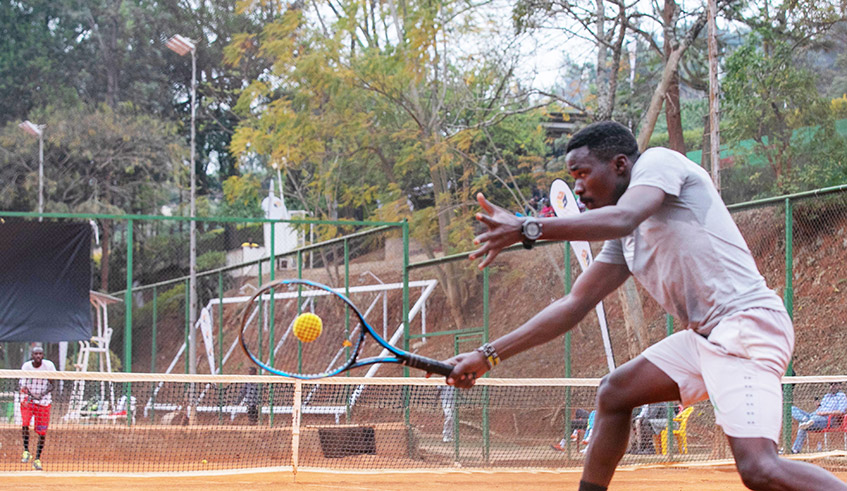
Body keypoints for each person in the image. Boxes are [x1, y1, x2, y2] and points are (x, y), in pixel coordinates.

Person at [442, 121, 847, 490]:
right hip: (705, 338)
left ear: (620, 165)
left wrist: (528, 227)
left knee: (759, 469)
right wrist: (487, 355)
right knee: (614, 393)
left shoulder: (657, 162)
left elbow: (622, 217)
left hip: (746, 328)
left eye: (582, 173)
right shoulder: (625, 239)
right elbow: (573, 304)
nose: (577, 187)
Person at [19, 345, 56, 471]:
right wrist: (31, 395)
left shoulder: (49, 366)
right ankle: (26, 451)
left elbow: (52, 384)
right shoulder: (26, 366)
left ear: (43, 355)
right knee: (25, 424)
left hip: (44, 403)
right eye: (36, 354)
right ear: (32, 355)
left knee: (42, 432)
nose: (38, 356)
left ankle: (37, 459)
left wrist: (41, 395)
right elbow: (22, 386)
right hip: (28, 401)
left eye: (40, 354)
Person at [790, 382, 847, 454]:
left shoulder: (841, 396)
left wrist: (825, 413)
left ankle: (795, 450)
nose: (832, 386)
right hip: (814, 415)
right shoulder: (827, 396)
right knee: (791, 408)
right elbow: (821, 408)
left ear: (840, 386)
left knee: (803, 425)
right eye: (831, 384)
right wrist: (818, 406)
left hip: (827, 419)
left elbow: (841, 412)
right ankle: (804, 419)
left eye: (835, 384)